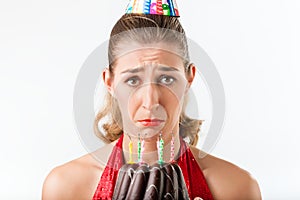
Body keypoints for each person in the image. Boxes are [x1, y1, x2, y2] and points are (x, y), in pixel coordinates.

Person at [42, 1, 261, 199]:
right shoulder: (66, 188)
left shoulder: (237, 189)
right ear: (109, 82)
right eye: (133, 80)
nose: (150, 101)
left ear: (189, 78)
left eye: (166, 79)